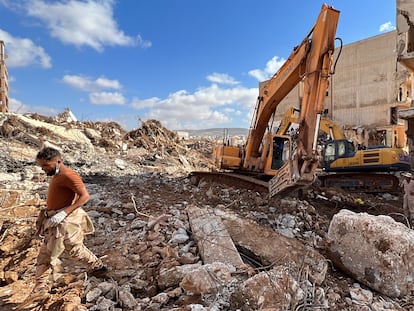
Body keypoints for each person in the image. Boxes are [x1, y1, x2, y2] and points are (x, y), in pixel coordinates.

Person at [33, 147, 107, 294]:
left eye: (46, 166)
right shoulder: (57, 175)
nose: (43, 169)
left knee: (73, 249)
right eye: (41, 166)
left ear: (58, 161)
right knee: (46, 254)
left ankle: (98, 266)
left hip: (64, 219)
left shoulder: (68, 175)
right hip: (54, 219)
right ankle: (39, 289)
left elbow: (85, 196)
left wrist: (63, 213)